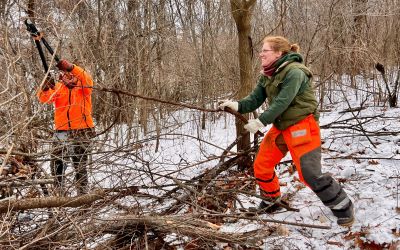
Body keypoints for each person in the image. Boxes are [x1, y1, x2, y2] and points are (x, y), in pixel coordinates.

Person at [219, 36, 354, 226]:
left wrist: (260, 122)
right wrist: (236, 105)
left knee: (309, 174)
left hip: (302, 126)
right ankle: (271, 201)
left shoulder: (295, 72)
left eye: (265, 50)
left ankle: (343, 206)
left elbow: (284, 101)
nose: (260, 54)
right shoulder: (267, 74)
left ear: (279, 53)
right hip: (281, 126)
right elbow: (255, 99)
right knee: (262, 165)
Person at [37, 59, 95, 195]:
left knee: (79, 166)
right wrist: (45, 87)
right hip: (61, 131)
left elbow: (86, 78)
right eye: (65, 73)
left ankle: (83, 195)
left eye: (70, 73)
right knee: (57, 164)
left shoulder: (83, 87)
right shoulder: (59, 87)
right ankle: (59, 194)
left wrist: (71, 67)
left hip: (82, 130)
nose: (67, 76)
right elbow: (44, 99)